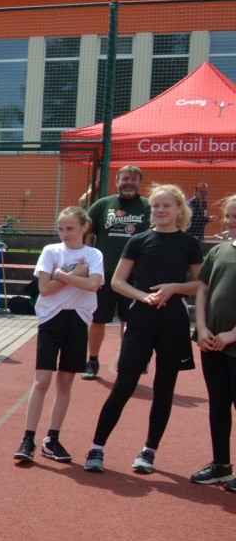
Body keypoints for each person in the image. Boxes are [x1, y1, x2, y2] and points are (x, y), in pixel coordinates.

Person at [83, 184, 205, 475]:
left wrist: (174, 287)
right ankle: (97, 448)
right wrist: (142, 296)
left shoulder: (189, 243)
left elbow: (201, 284)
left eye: (167, 205)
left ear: (179, 209)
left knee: (164, 389)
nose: (160, 210)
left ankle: (149, 451)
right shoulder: (138, 240)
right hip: (141, 320)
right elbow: (117, 282)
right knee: (124, 385)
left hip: (173, 322)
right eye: (156, 206)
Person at [14, 207, 103, 464]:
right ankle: (28, 438)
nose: (65, 233)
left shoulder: (94, 254)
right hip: (51, 320)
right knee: (42, 381)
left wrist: (60, 275)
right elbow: (45, 289)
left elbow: (93, 284)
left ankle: (52, 439)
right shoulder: (50, 251)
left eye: (70, 228)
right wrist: (75, 274)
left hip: (78, 320)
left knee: (65, 382)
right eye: (61, 228)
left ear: (84, 227)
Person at [84, 165, 150, 380]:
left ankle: (129, 360)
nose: (129, 183)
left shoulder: (147, 206)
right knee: (98, 319)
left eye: (134, 179)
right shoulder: (102, 205)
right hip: (104, 273)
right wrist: (89, 265)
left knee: (130, 321)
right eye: (125, 178)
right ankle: (92, 360)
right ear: (117, 181)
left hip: (135, 275)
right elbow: (88, 236)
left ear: (139, 183)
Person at [192, 195, 236, 490]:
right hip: (212, 343)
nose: (230, 221)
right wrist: (202, 328)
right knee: (218, 404)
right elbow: (202, 290)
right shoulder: (219, 251)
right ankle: (221, 465)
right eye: (228, 216)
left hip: (232, 342)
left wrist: (233, 333)